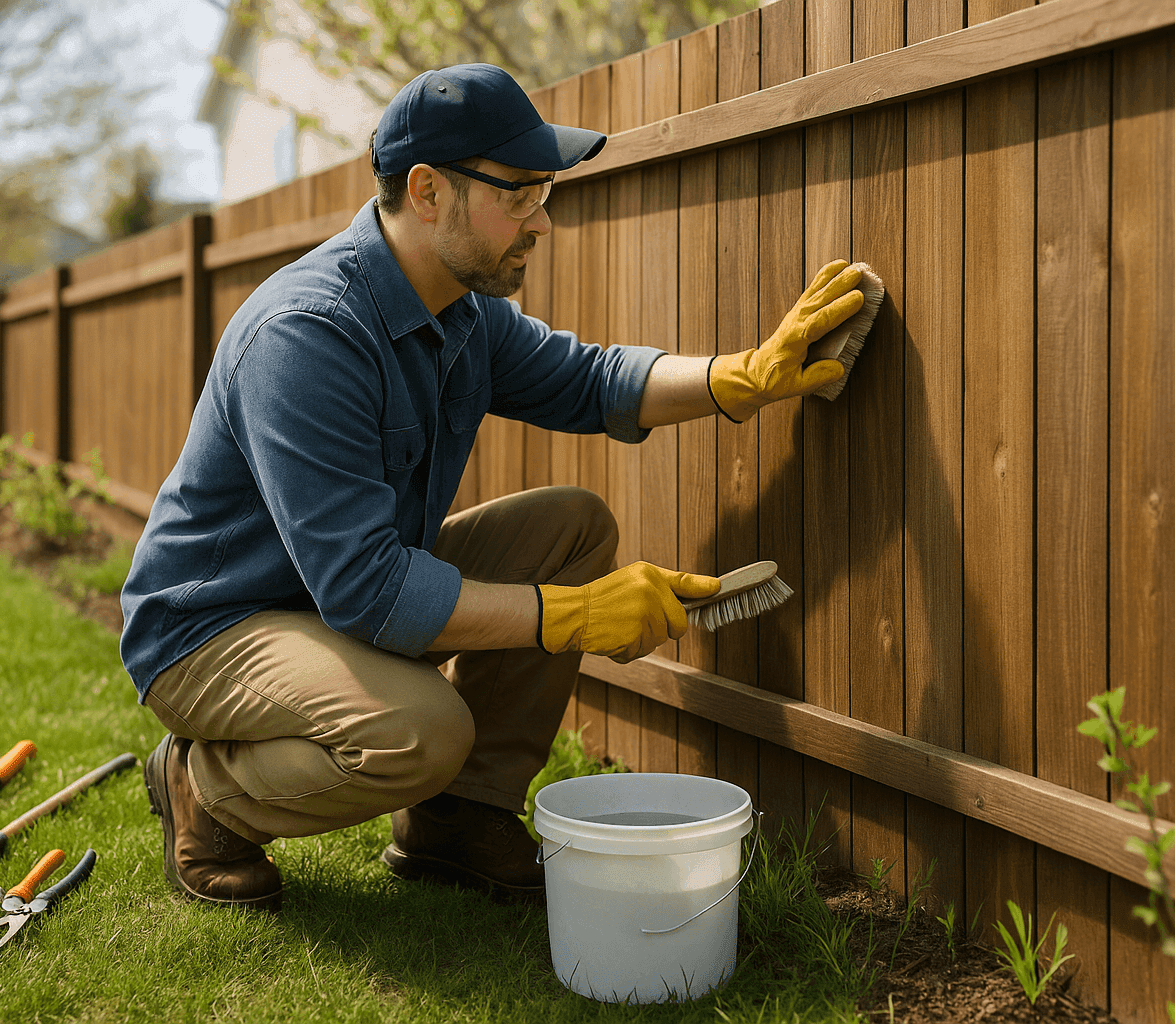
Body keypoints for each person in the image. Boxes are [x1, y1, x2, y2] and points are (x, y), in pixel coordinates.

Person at [121, 63, 863, 910]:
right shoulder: (309, 334)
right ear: (428, 191)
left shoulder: (461, 314)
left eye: (542, 192)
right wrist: (574, 616)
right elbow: (369, 592)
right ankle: (202, 787)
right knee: (420, 732)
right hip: (214, 623)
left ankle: (458, 819)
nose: (541, 221)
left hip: (329, 601)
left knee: (571, 529)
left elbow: (591, 379)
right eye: (517, 194)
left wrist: (742, 376)